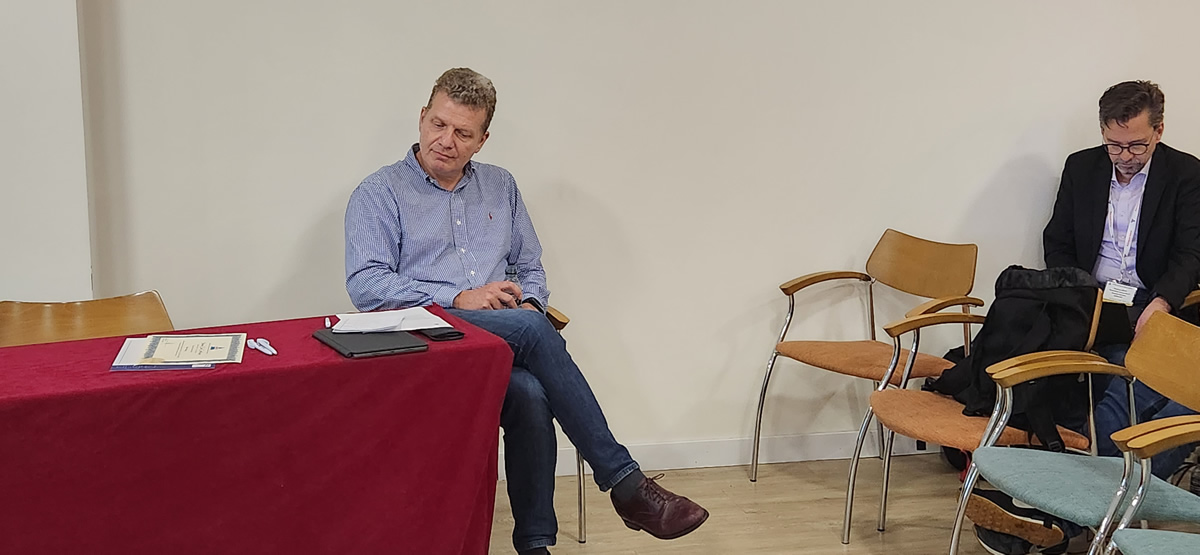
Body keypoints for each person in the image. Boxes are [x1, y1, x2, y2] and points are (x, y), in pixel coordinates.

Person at [343, 68, 708, 554]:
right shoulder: (379, 192)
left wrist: (529, 302)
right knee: (533, 329)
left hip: (499, 342)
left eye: (463, 133)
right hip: (426, 341)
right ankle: (626, 484)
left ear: (482, 140)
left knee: (532, 393)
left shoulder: (501, 186)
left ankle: (535, 545)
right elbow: (366, 285)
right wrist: (459, 297)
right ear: (422, 117)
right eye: (438, 124)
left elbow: (529, 266)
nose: (445, 141)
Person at [1042, 80, 1200, 480]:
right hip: (1095, 299)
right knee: (1135, 381)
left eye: (1137, 146)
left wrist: (1162, 302)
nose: (1125, 157)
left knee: (1154, 389)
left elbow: (1191, 254)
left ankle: (1084, 490)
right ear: (1102, 131)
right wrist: (1080, 293)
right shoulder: (1082, 168)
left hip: (1154, 301)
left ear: (1158, 131)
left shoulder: (1186, 174)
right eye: (1114, 145)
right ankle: (1098, 491)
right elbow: (1057, 242)